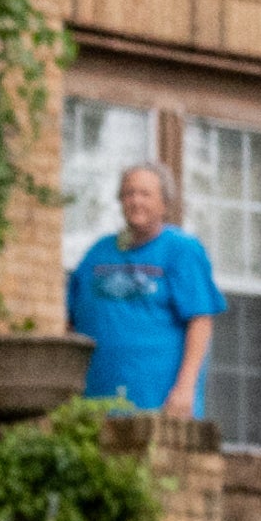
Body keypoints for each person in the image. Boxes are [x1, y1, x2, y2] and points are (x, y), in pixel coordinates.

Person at [66, 154, 227, 426]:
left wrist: (185, 388)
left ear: (164, 204)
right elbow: (70, 323)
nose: (135, 200)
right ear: (120, 201)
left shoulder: (182, 250)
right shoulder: (98, 253)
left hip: (158, 408)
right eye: (128, 193)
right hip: (95, 406)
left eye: (145, 194)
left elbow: (200, 321)